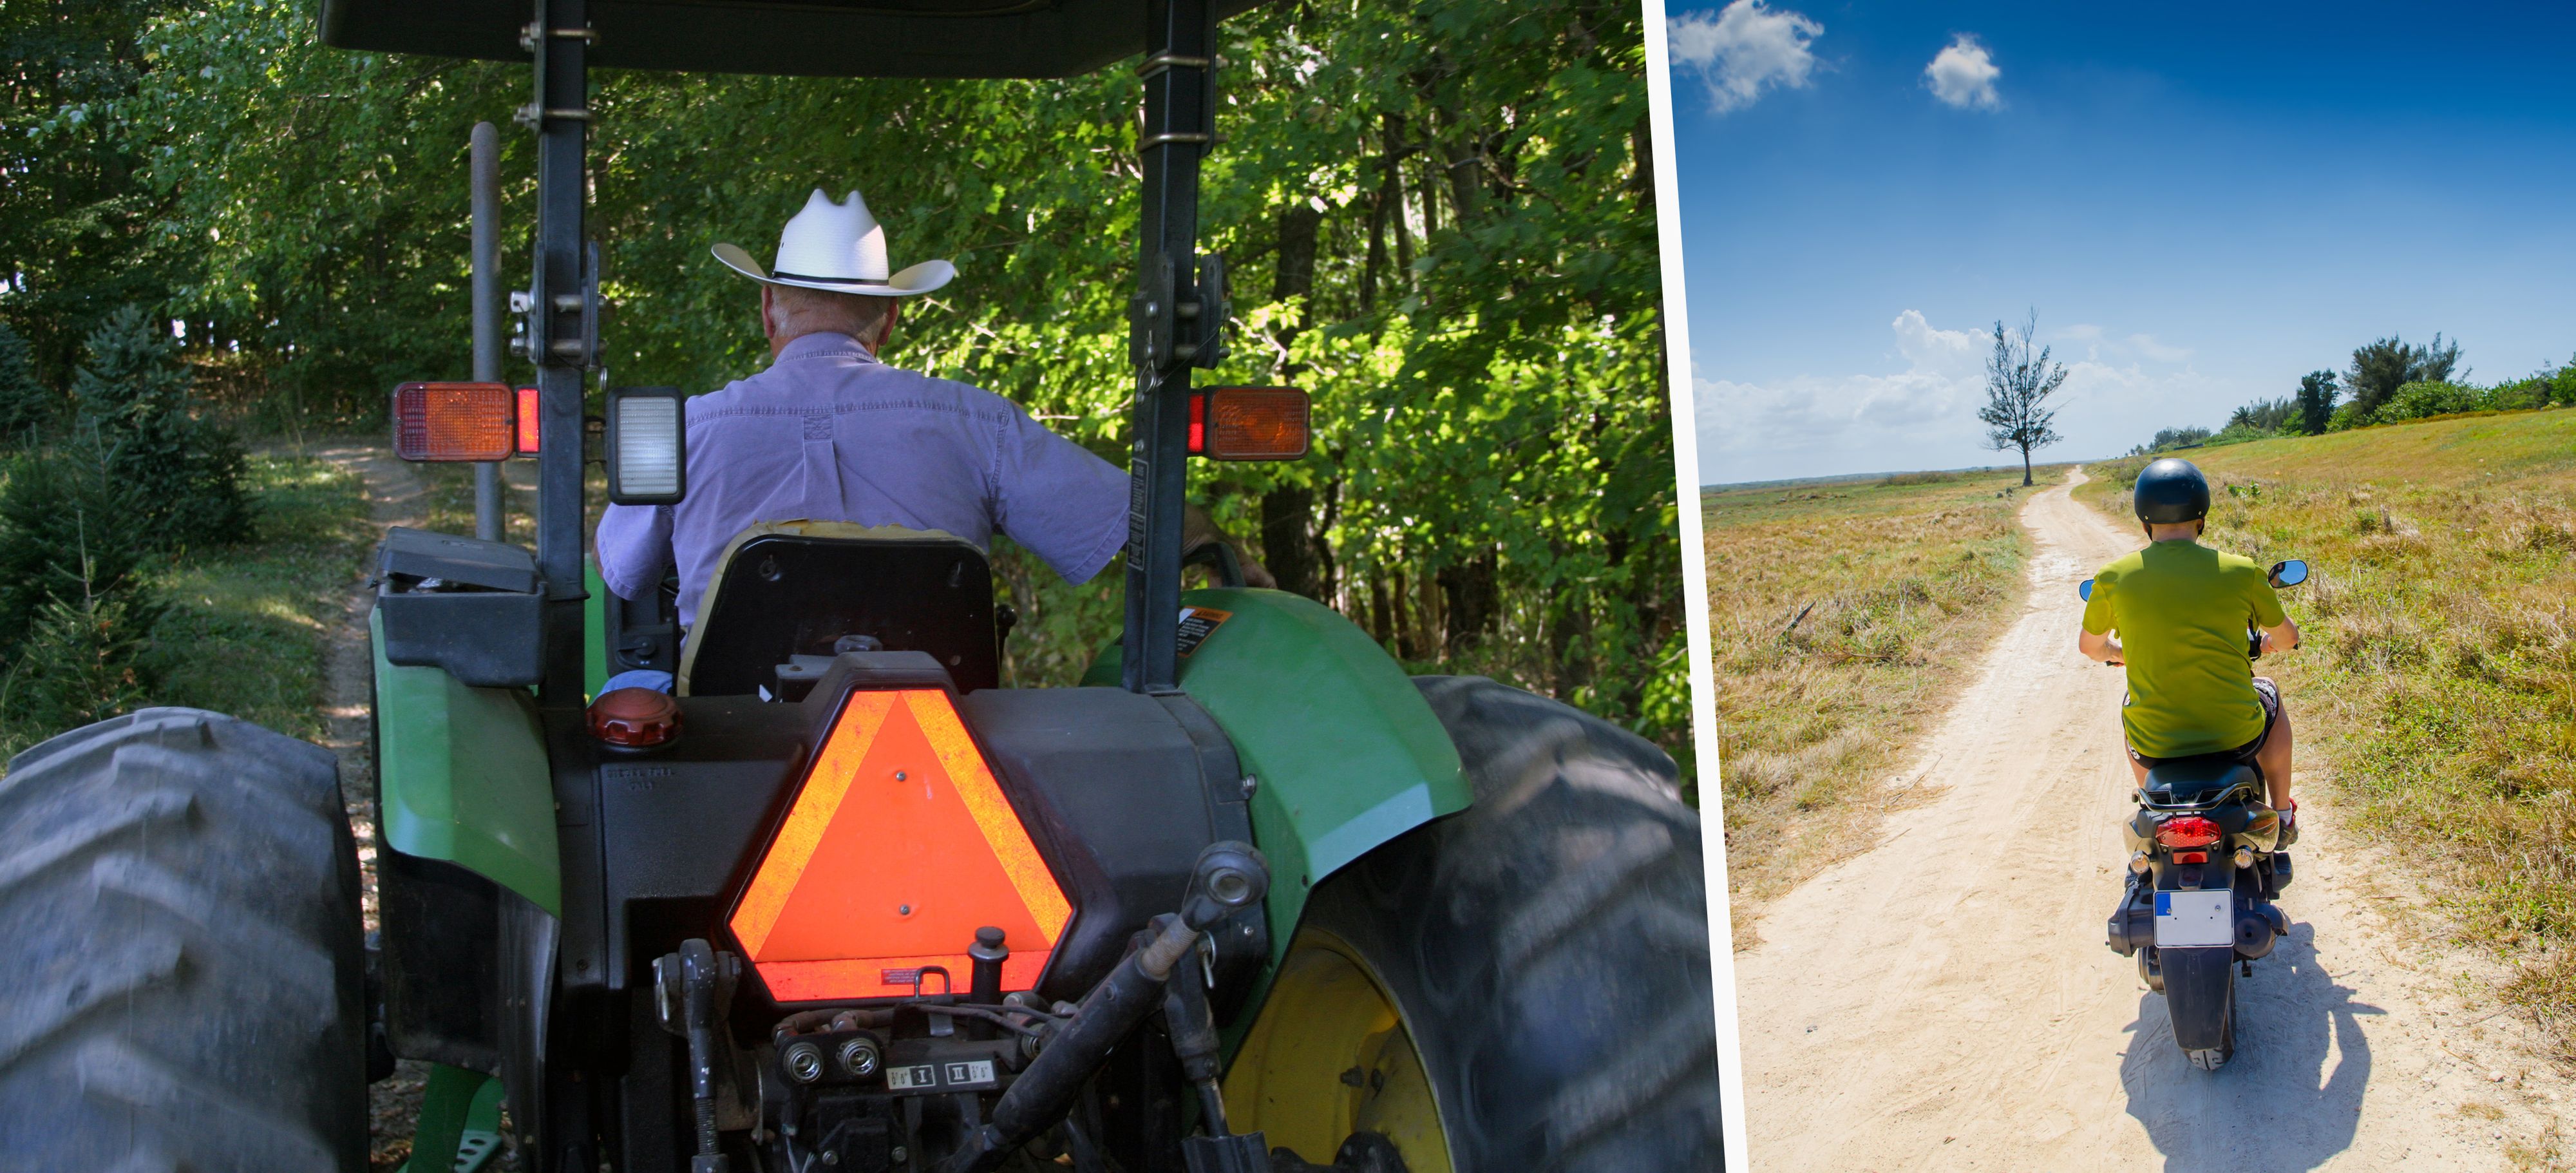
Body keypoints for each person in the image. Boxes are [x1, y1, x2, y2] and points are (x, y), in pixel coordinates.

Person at [595, 187, 1266, 687]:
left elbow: (624, 575)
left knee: (630, 699)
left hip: (733, 728)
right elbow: (1139, 524)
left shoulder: (688, 429)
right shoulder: (976, 423)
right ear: (888, 318)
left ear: (768, 308)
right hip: (938, 726)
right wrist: (1217, 550)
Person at [2076, 457, 2301, 837]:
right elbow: (2288, 638)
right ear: (2201, 518)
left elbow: (2090, 648)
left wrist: (2118, 654)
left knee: (2130, 707)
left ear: (2145, 522)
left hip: (2155, 743)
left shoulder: (2112, 577)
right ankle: (2281, 813)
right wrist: (2266, 643)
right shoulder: (2242, 570)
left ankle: (2153, 802)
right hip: (2236, 738)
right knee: (2270, 694)